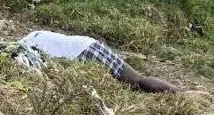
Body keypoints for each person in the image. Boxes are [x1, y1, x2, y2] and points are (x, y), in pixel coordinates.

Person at [18, 30, 180, 92]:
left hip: (81, 52)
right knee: (134, 82)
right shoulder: (32, 36)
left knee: (137, 82)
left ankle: (180, 92)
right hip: (86, 44)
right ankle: (178, 90)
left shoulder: (21, 50)